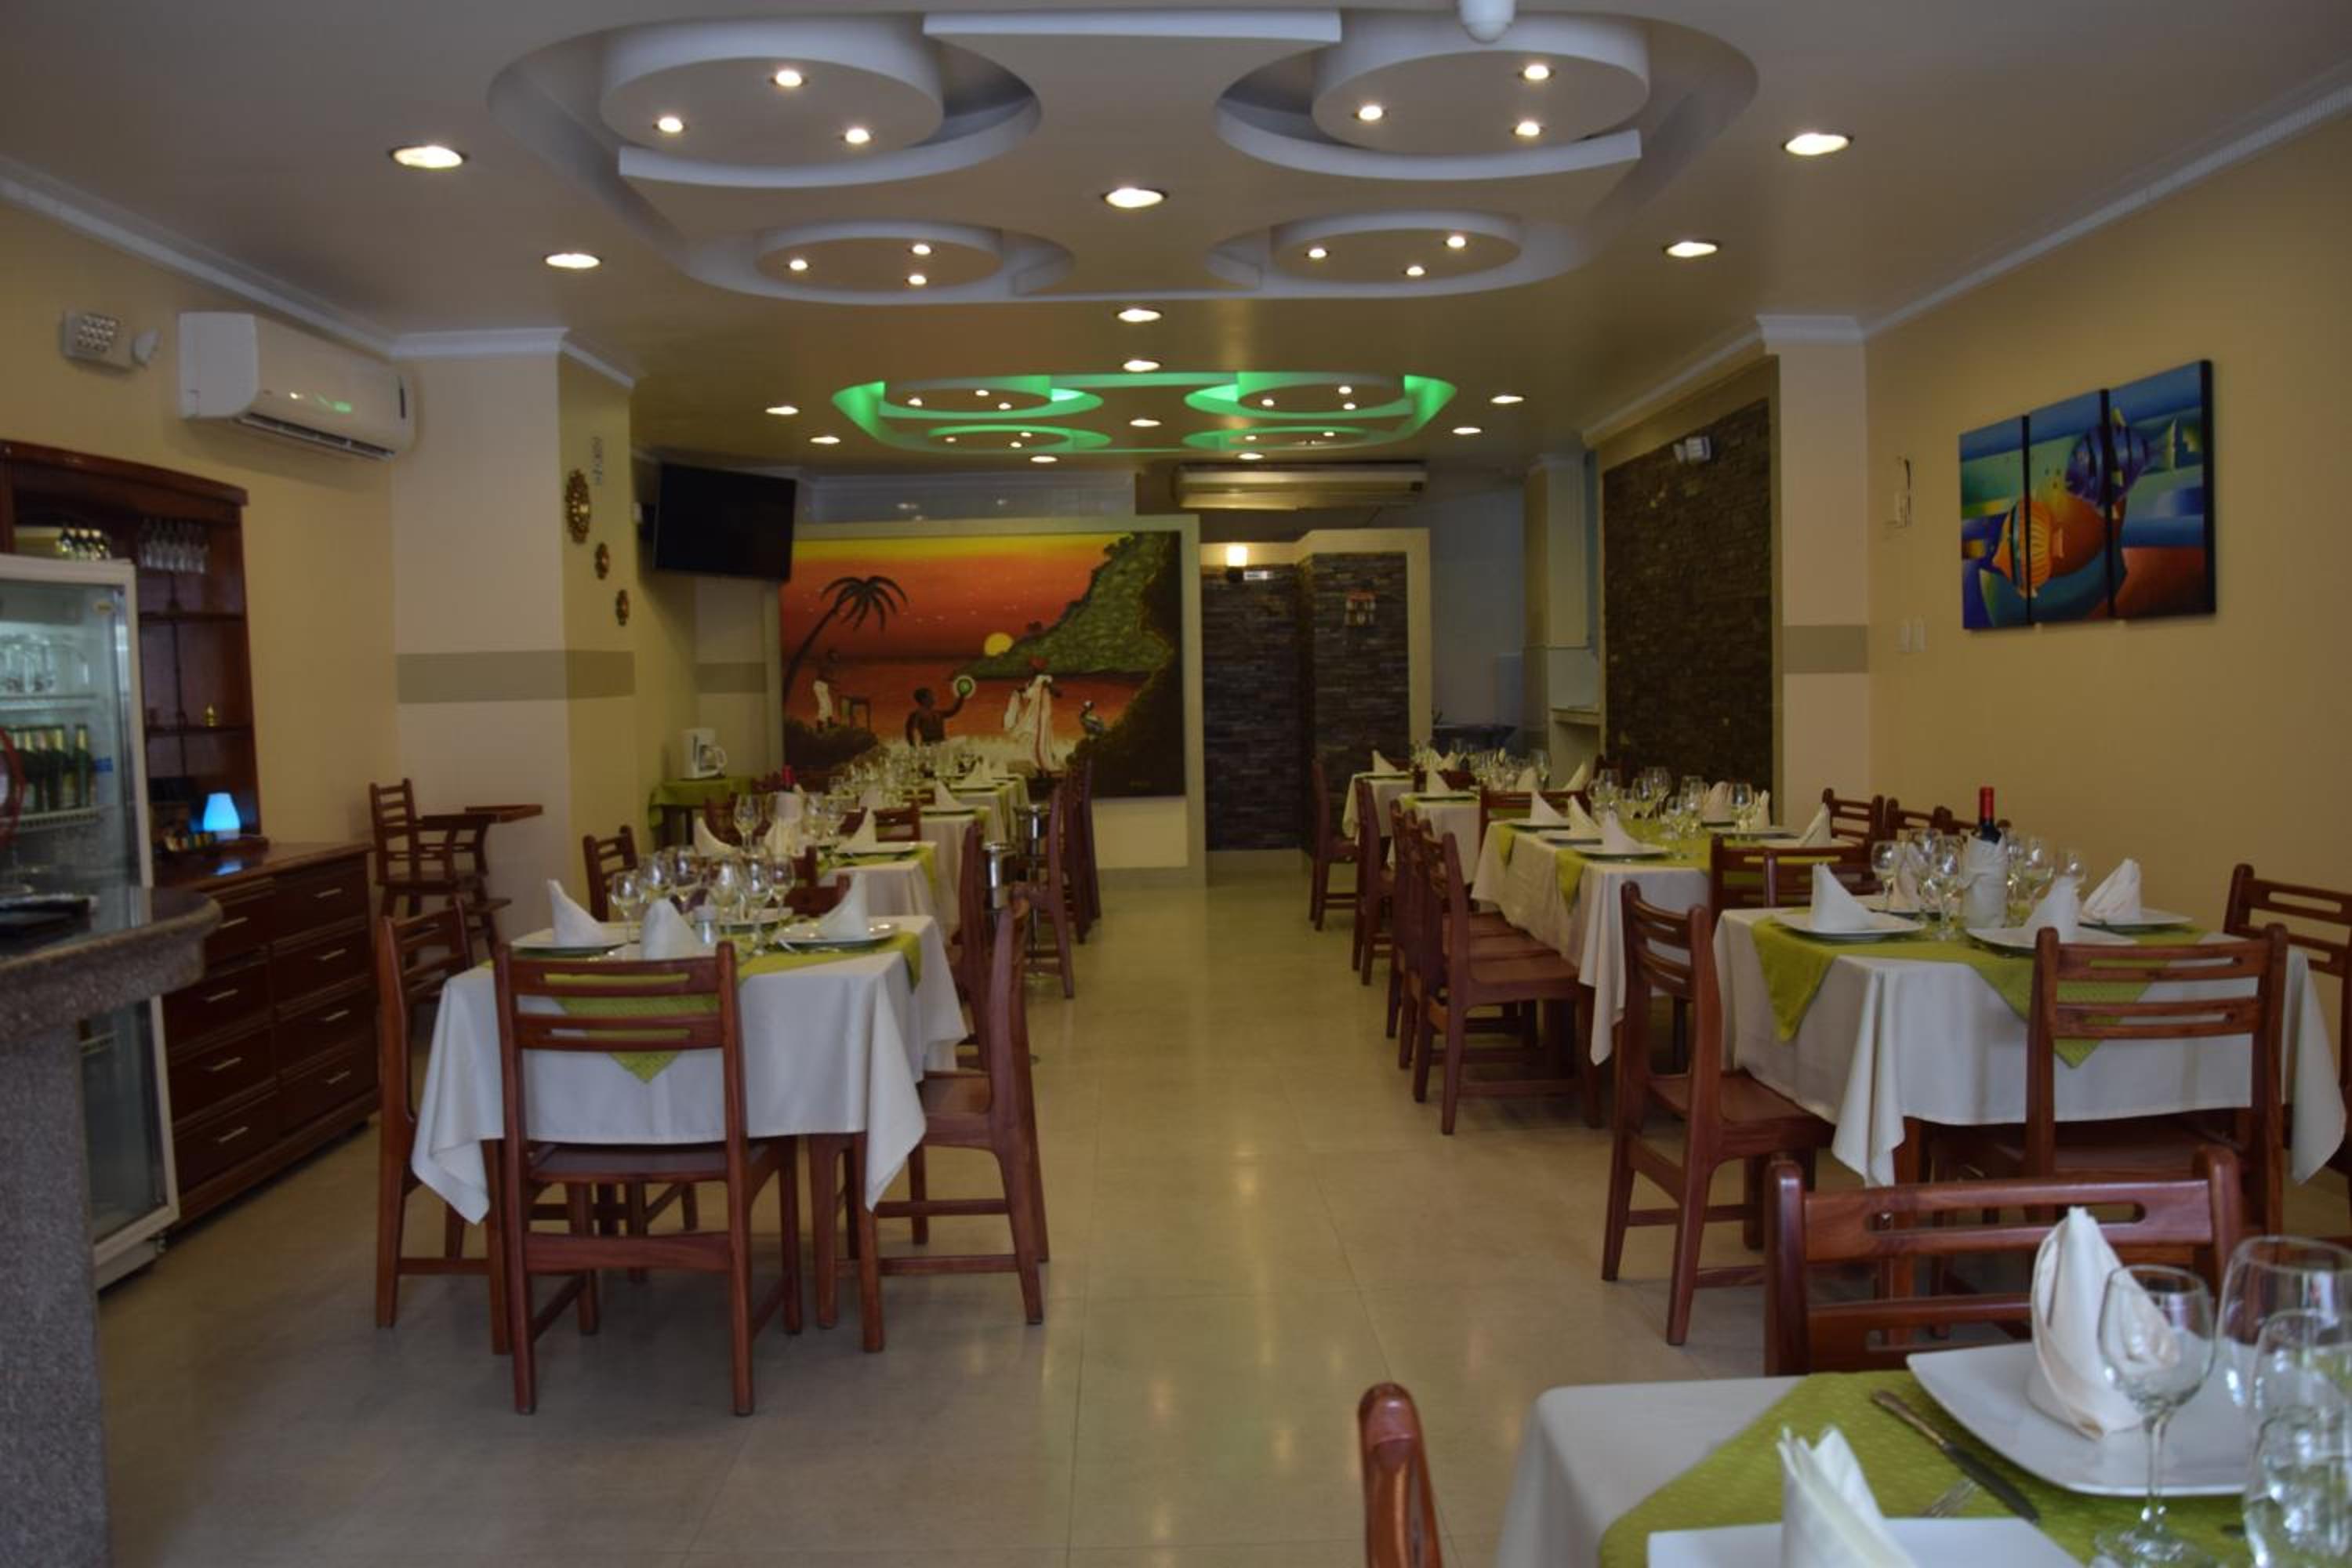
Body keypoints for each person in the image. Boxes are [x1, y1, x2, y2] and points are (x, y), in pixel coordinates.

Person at [1003, 667, 1057, 771]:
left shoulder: (1043, 680)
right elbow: (1024, 694)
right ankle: (1037, 767)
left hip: (1040, 716)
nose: (1028, 672)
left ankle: (1043, 767)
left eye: (1031, 670)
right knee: (1027, 738)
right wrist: (1017, 692)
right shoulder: (1028, 684)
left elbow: (1057, 693)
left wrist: (1050, 688)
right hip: (1030, 716)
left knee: (1037, 739)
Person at [903, 683, 967, 746]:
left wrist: (961, 697)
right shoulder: (917, 715)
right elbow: (909, 732)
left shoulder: (937, 713)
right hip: (928, 746)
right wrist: (914, 748)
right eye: (931, 696)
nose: (934, 698)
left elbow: (953, 711)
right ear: (923, 699)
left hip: (941, 744)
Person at [810, 648, 838, 728]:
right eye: (834, 655)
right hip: (820, 686)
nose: (836, 657)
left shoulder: (830, 665)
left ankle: (829, 723)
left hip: (823, 686)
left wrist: (833, 685)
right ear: (830, 656)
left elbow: (826, 678)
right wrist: (833, 682)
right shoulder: (826, 663)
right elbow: (823, 677)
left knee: (829, 705)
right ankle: (820, 725)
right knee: (824, 706)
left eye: (836, 655)